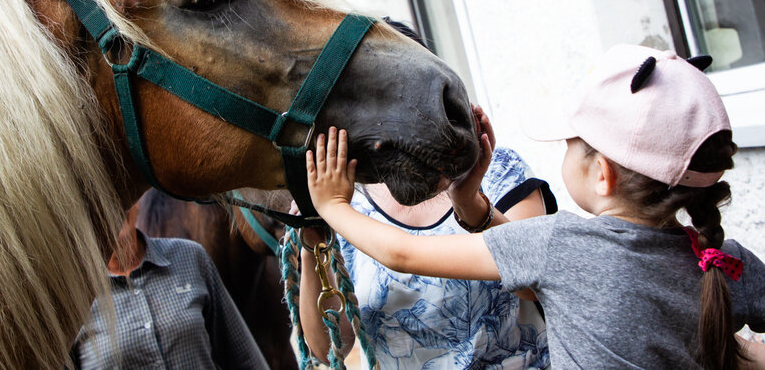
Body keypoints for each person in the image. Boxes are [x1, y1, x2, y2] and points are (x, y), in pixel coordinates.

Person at [305, 45, 765, 369]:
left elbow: (402, 254)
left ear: (602, 174)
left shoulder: (561, 245)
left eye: (570, 145)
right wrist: (470, 202)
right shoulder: (728, 262)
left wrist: (334, 205)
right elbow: (539, 286)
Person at [298, 104, 554, 368]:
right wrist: (312, 242)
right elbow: (328, 347)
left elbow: (535, 283)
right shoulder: (341, 201)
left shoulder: (496, 169)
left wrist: (470, 202)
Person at [69, 204, 269, 369]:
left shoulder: (190, 257)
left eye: (117, 197)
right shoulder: (75, 298)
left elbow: (245, 358)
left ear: (137, 201)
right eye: (97, 200)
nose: (110, 206)